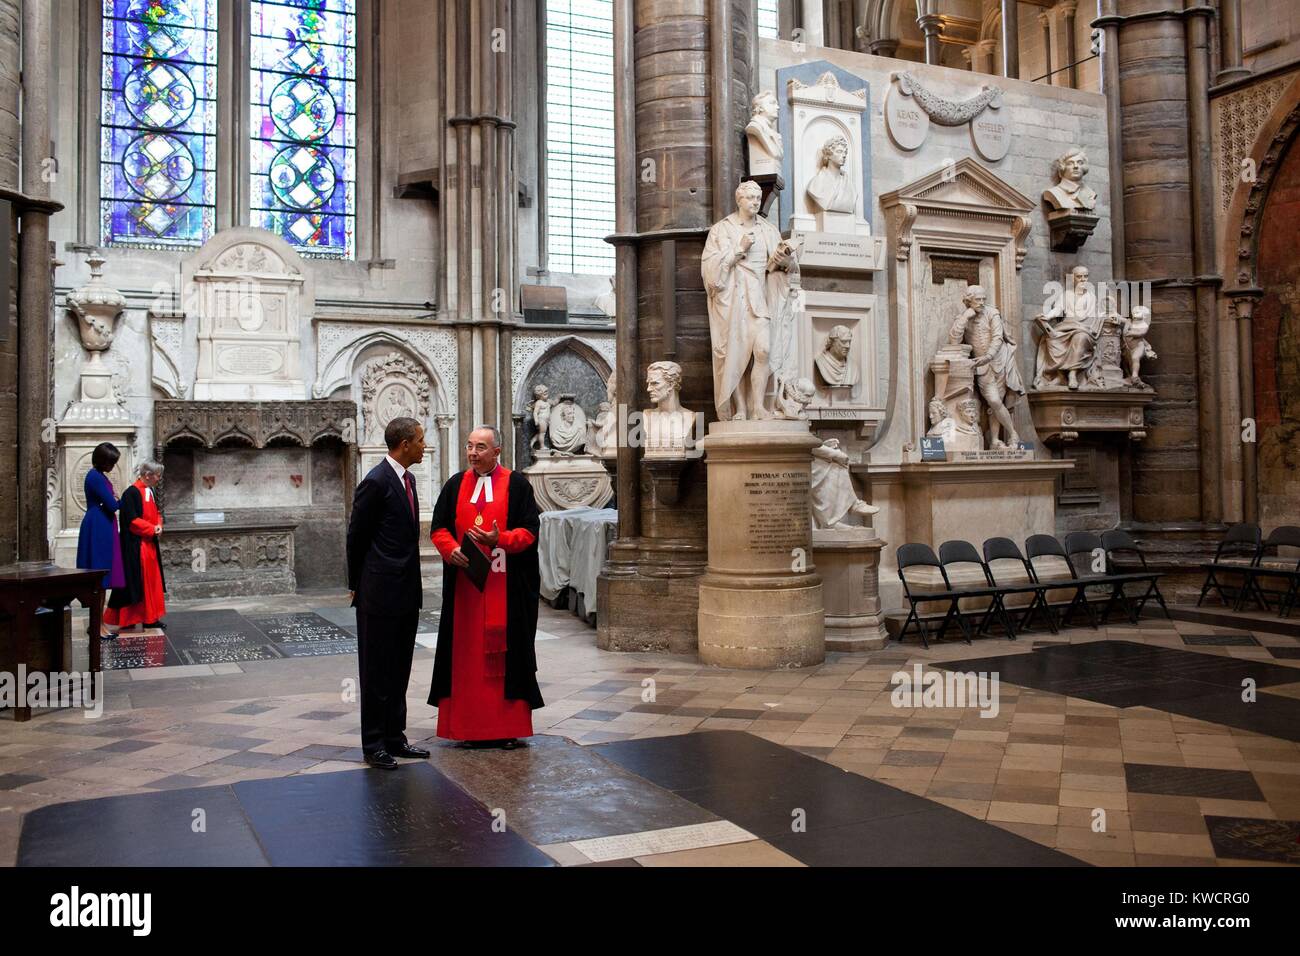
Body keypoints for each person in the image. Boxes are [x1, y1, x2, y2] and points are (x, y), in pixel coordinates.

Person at [428, 425, 543, 750]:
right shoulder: (455, 485)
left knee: (505, 658)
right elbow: (439, 528)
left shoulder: (517, 485)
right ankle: (467, 727)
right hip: (465, 590)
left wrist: (501, 540)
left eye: (480, 447)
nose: (473, 453)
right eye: (469, 446)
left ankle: (505, 727)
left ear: (497, 452)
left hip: (506, 588)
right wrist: (450, 549)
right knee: (465, 657)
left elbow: (531, 531)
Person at [346, 416, 429, 770]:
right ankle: (374, 743)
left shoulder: (408, 479)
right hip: (378, 592)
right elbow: (356, 537)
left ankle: (396, 737)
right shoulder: (376, 481)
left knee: (399, 668)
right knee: (376, 670)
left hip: (406, 592)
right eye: (421, 440)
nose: (425, 446)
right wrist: (356, 585)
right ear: (405, 444)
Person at [701, 180, 797, 420]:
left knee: (763, 350)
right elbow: (710, 271)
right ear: (739, 200)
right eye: (750, 198)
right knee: (738, 354)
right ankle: (741, 410)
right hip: (734, 300)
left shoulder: (768, 229)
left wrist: (785, 259)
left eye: (757, 198)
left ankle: (758, 407)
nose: (755, 202)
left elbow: (783, 268)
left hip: (761, 297)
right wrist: (738, 249)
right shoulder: (722, 230)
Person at [105, 461, 167, 633]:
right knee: (136, 583)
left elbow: (157, 513)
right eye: (157, 475)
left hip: (149, 544)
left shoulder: (150, 491)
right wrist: (152, 529)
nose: (159, 478)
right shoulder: (131, 493)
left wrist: (159, 525)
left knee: (150, 582)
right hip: (135, 546)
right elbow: (132, 521)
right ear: (147, 475)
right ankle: (130, 618)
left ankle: (150, 618)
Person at [76, 442, 126, 639]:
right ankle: (97, 626)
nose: (113, 466)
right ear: (103, 460)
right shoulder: (95, 477)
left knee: (104, 579)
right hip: (98, 526)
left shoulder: (98, 475)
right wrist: (123, 499)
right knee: (100, 576)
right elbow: (113, 505)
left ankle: (99, 624)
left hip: (102, 523)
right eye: (111, 462)